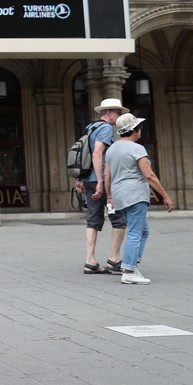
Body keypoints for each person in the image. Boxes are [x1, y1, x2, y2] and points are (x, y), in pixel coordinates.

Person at [105, 113, 174, 284]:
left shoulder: (112, 149)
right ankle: (128, 270)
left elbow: (107, 175)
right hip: (135, 194)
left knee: (143, 230)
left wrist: (109, 196)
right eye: (139, 127)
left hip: (120, 194)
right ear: (134, 130)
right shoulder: (137, 148)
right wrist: (165, 196)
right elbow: (149, 175)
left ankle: (132, 263)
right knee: (136, 232)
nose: (141, 130)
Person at [75, 98, 128, 275]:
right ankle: (114, 260)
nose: (119, 117)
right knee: (119, 217)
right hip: (102, 180)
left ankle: (90, 261)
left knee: (92, 218)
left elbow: (83, 154)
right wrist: (100, 181)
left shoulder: (90, 127)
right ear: (109, 112)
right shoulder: (105, 128)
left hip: (88, 179)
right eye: (118, 113)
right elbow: (97, 154)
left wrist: (81, 179)